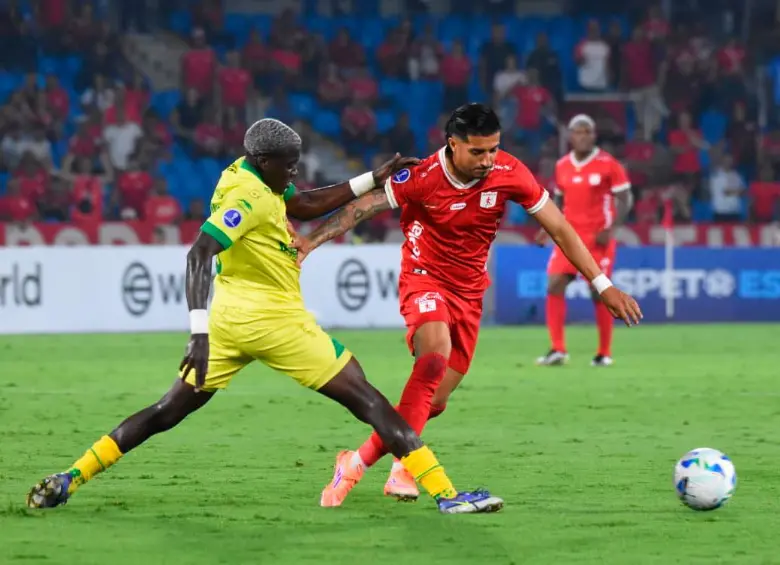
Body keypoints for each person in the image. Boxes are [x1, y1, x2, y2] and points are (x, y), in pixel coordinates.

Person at [26, 118, 503, 515]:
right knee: (371, 401)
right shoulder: (248, 199)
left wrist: (372, 177)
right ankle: (446, 494)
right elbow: (198, 255)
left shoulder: (246, 174)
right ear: (264, 161)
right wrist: (195, 334)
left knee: (165, 411)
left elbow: (302, 203)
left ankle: (71, 477)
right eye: (288, 164)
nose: (294, 171)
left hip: (231, 319)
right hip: (273, 321)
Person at [292, 104, 642, 506]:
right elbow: (361, 207)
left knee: (434, 401)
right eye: (477, 152)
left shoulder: (509, 172)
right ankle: (404, 469)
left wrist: (603, 283)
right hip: (424, 278)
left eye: (493, 149)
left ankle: (354, 461)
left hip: (470, 292)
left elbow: (560, 226)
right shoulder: (421, 177)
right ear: (452, 144)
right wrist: (311, 242)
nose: (487, 160)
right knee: (433, 359)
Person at [535, 114, 634, 367]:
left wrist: (611, 228)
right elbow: (557, 201)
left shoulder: (608, 164)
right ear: (570, 136)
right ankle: (557, 349)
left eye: (587, 131)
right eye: (578, 132)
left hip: (596, 237)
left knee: (598, 291)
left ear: (594, 135)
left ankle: (604, 353)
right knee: (554, 284)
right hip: (568, 236)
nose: (583, 136)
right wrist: (547, 227)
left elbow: (626, 198)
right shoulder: (562, 166)